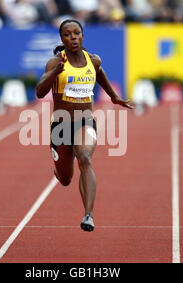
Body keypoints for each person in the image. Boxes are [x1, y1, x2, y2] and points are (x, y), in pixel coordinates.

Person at [35, 19, 132, 232]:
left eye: (76, 33)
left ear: (82, 35)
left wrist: (114, 97)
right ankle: (59, 171)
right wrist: (54, 73)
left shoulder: (93, 60)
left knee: (85, 159)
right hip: (60, 127)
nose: (73, 38)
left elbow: (100, 74)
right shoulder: (55, 63)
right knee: (66, 179)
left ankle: (88, 215)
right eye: (67, 35)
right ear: (62, 39)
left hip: (85, 122)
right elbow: (39, 92)